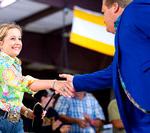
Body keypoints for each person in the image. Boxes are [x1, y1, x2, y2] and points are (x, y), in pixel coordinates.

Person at [60, 0, 150, 132]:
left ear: (114, 7)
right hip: (141, 119)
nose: (103, 19)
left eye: (103, 12)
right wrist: (75, 81)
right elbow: (114, 73)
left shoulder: (134, 10)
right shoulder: (124, 32)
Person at [0, 23, 74, 133]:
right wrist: (54, 83)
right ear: (0, 43)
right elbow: (22, 83)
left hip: (15, 123)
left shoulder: (16, 64)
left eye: (19, 39)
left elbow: (12, 99)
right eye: (12, 38)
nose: (17, 42)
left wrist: (28, 113)